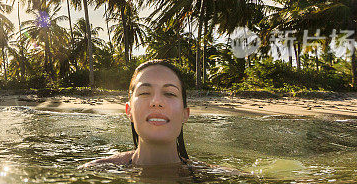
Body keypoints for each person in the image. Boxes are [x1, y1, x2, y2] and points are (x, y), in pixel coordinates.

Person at [83, 59, 241, 176]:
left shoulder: (219, 176)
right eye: (145, 93)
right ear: (129, 111)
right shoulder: (94, 172)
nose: (156, 102)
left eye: (169, 93)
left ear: (185, 114)